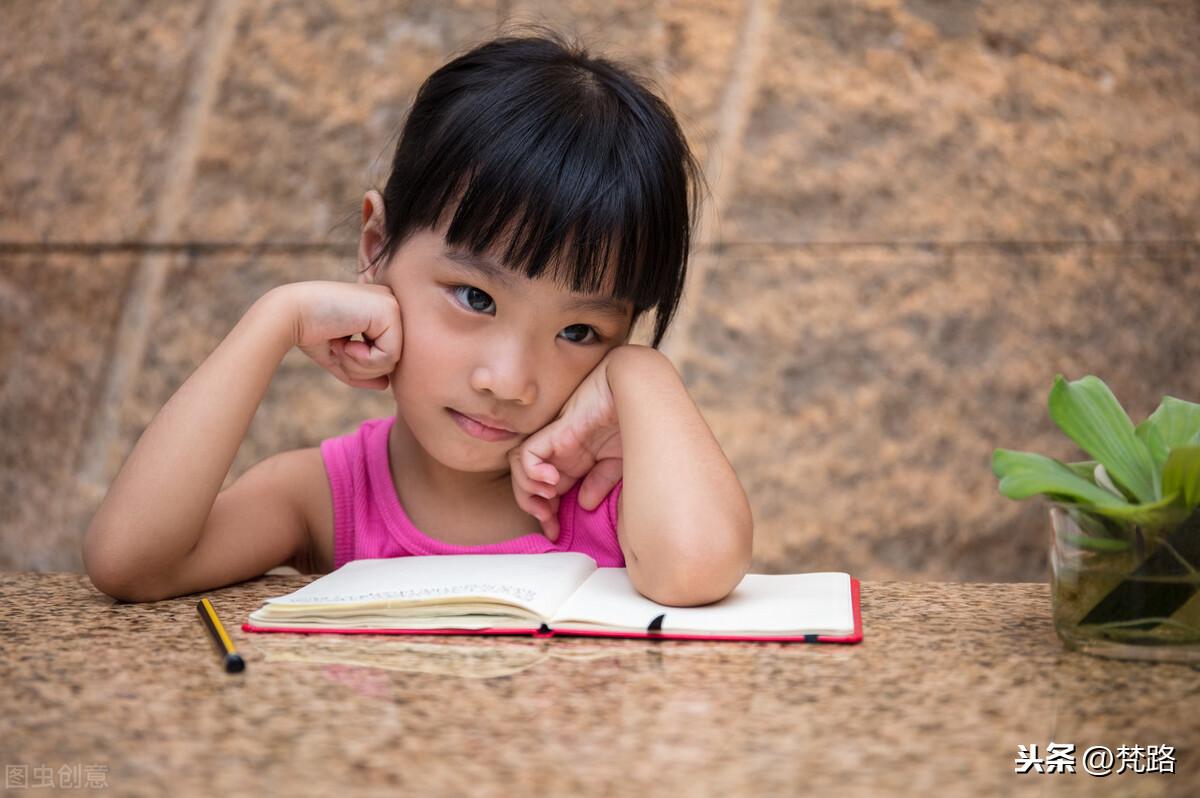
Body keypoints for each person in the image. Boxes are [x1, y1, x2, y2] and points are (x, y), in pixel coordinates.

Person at [83, 31, 752, 607]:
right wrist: (275, 318)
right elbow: (131, 562)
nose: (509, 381)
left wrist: (642, 373)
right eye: (476, 298)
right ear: (377, 247)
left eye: (580, 333)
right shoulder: (329, 497)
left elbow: (695, 567)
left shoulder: (618, 498)